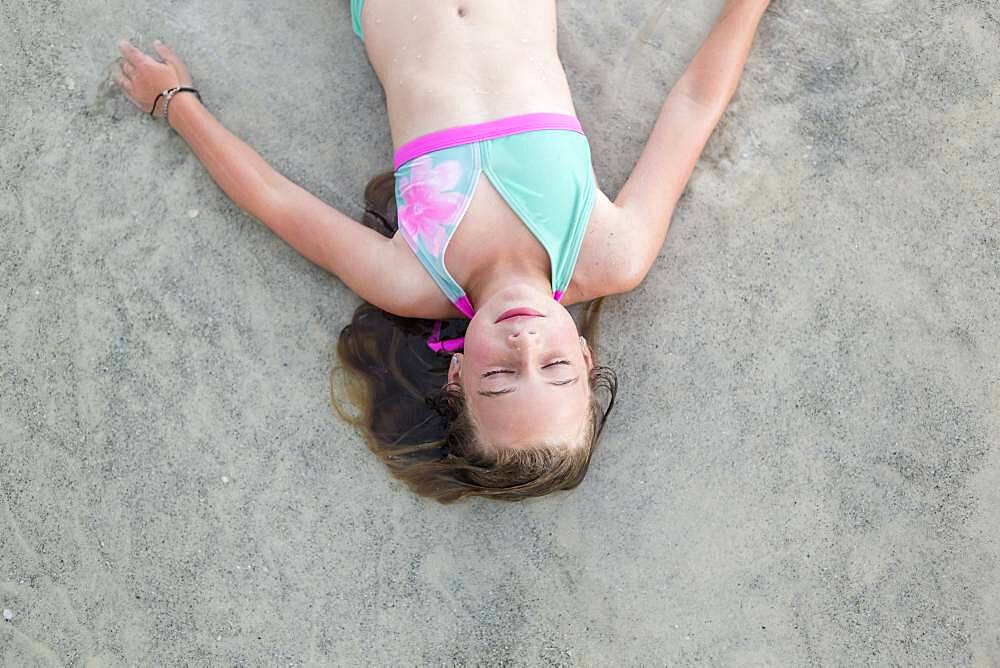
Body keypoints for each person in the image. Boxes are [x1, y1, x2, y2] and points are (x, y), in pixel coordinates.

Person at [113, 0, 772, 502]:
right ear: (585, 357)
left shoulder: (410, 277)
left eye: (500, 378)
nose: (525, 347)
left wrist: (176, 105)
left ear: (456, 378)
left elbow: (277, 202)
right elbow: (694, 105)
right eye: (556, 370)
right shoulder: (610, 253)